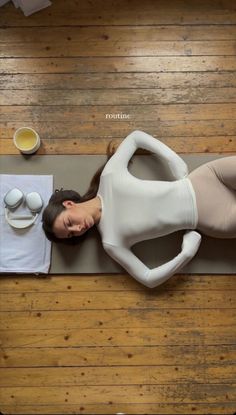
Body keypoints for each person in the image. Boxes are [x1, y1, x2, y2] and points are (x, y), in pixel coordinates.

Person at [42, 130, 236, 288]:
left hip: (207, 177)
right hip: (216, 218)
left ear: (68, 204)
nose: (77, 230)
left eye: (69, 223)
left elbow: (135, 137)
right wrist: (186, 254)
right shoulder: (111, 241)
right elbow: (148, 278)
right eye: (71, 235)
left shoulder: (109, 177)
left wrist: (172, 159)